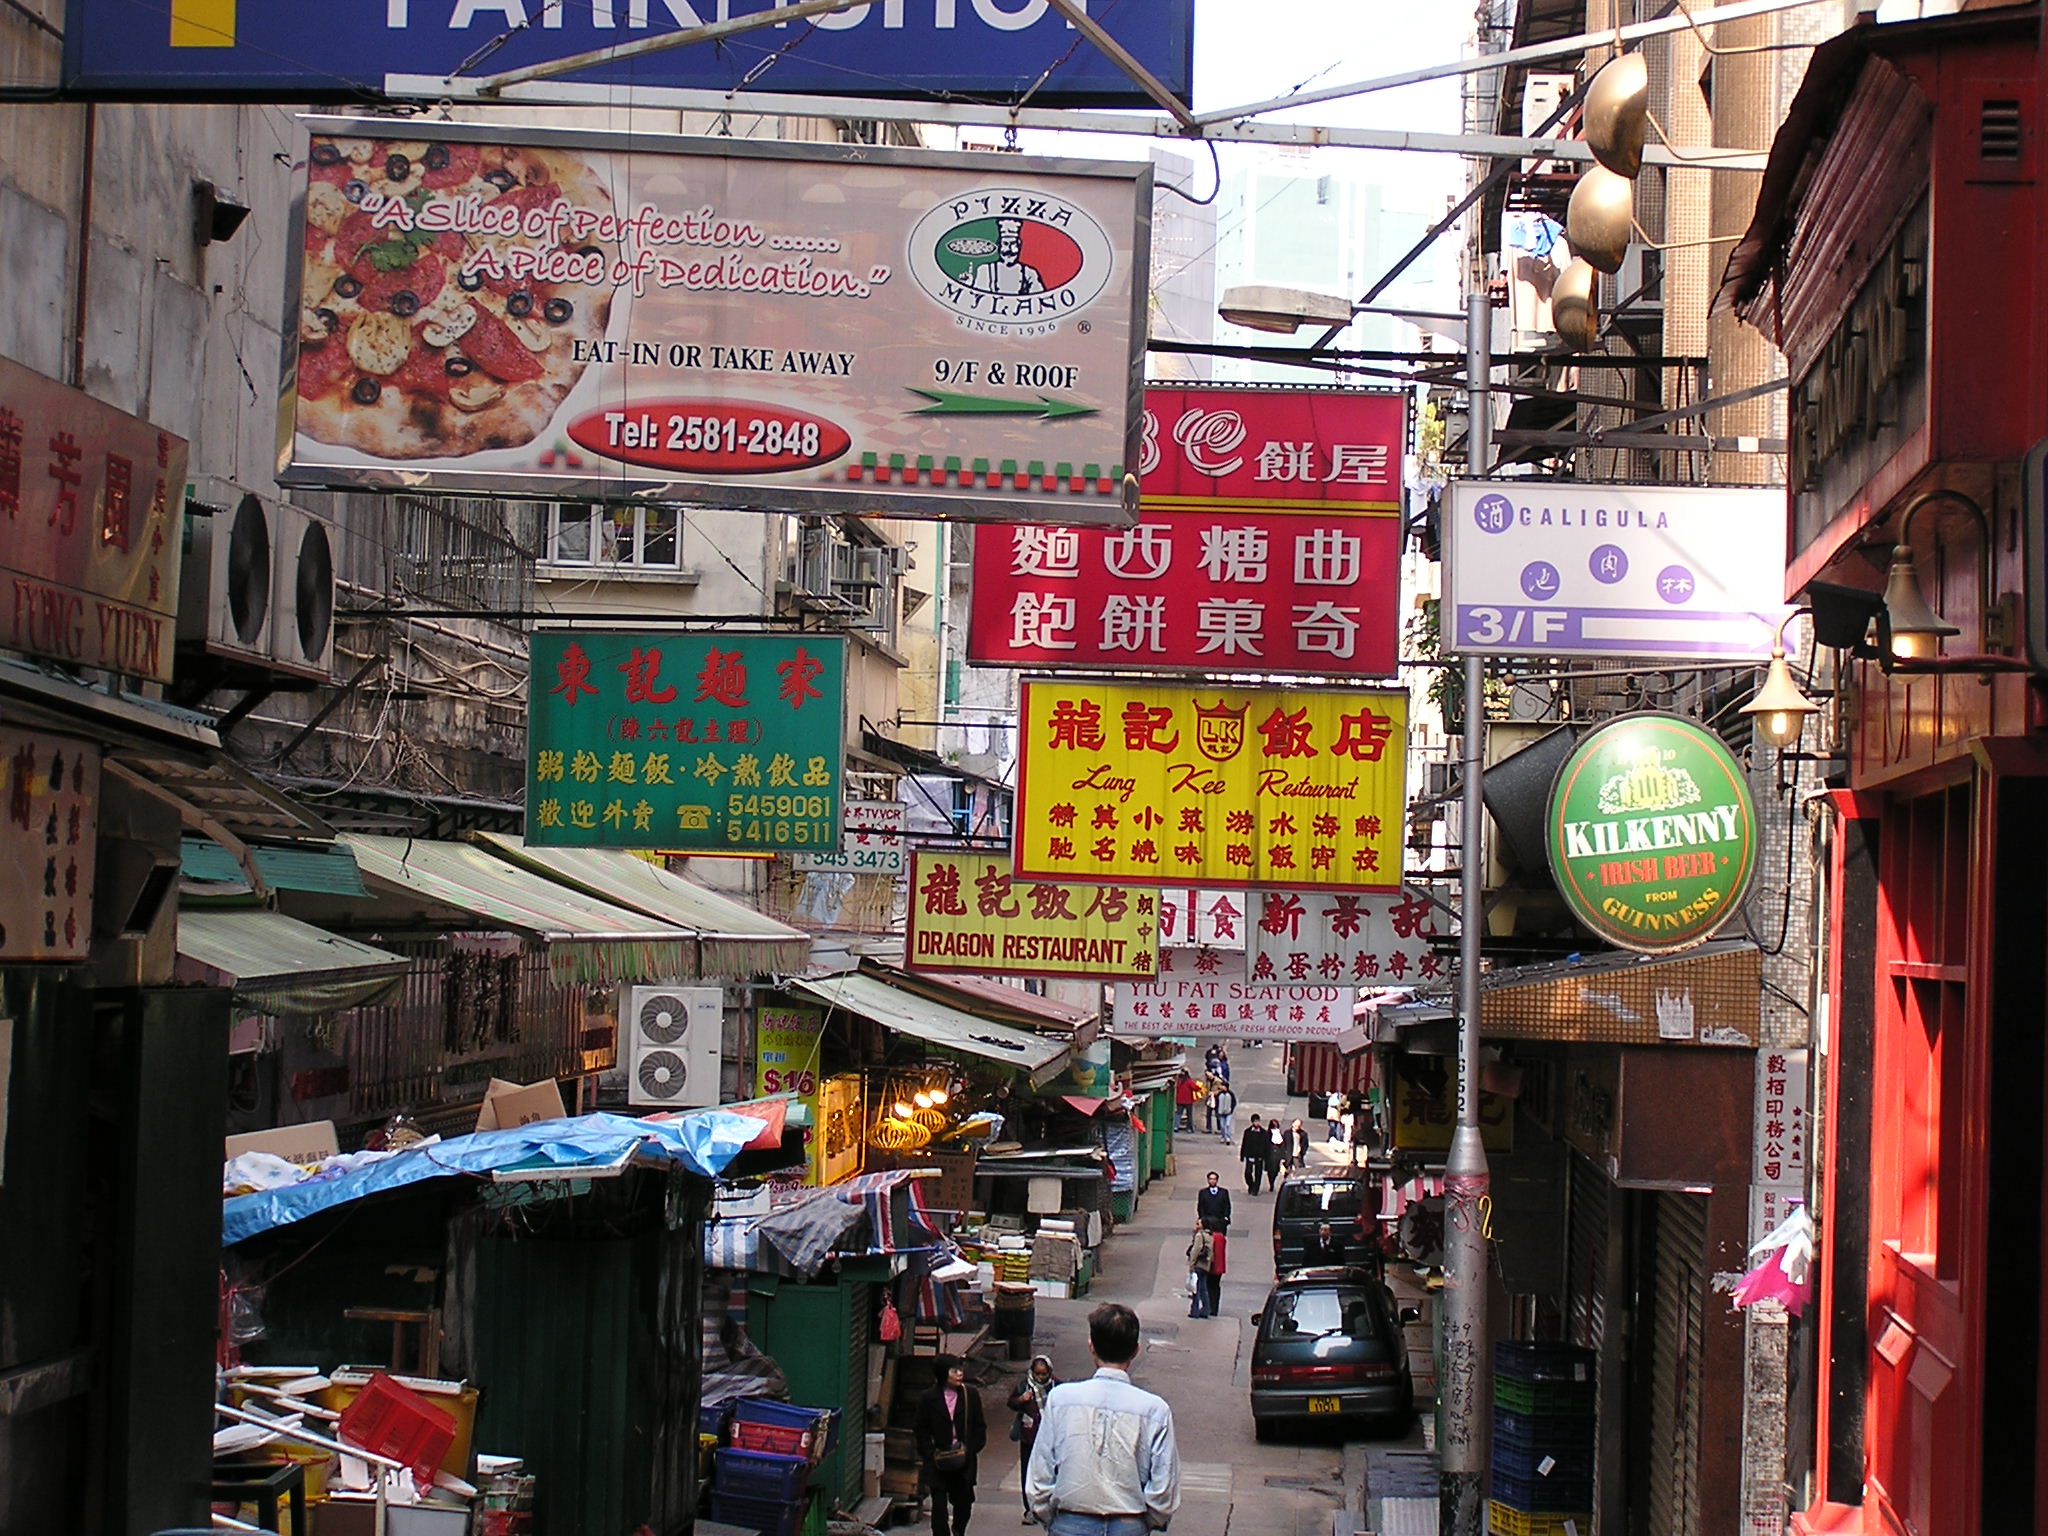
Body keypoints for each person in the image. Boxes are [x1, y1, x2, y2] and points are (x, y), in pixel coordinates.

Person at [1025, 1303, 1181, 1535]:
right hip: (1129, 1523)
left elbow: (1040, 1473)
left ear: (1091, 1347)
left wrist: (1054, 1518)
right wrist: (1143, 1522)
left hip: (1070, 1522)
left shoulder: (1061, 1400)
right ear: (1136, 1350)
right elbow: (1164, 1486)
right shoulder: (1155, 1411)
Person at [915, 1354, 987, 1536]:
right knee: (938, 1507)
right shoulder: (928, 1398)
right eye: (954, 1371)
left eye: (960, 1370)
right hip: (938, 1460)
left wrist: (970, 1449)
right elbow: (921, 1429)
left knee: (964, 1503)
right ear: (942, 1373)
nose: (959, 1374)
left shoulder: (970, 1395)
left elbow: (979, 1426)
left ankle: (958, 1530)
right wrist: (929, 1453)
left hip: (963, 1460)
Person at [1008, 1355, 1059, 1523]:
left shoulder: (1056, 1387)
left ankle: (1050, 1507)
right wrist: (1021, 1400)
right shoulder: (1024, 1386)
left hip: (1051, 1438)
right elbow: (1011, 1403)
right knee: (1027, 1473)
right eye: (1037, 1374)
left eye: (1044, 1374)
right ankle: (1029, 1508)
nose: (1040, 1378)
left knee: (1052, 1472)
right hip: (1029, 1437)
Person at [1186, 1223, 1216, 1319]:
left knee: (1195, 1289)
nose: (1195, 1225)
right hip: (1205, 1265)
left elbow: (1196, 1250)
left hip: (1198, 1265)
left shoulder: (1199, 1236)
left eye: (1198, 1223)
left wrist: (1192, 1264)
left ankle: (1194, 1311)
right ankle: (1206, 1309)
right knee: (1203, 1288)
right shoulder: (1210, 1237)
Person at [1195, 1170, 1232, 1235]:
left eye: (1214, 1179)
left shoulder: (1223, 1192)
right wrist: (1202, 1218)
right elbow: (1200, 1206)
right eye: (1211, 1179)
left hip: (1220, 1221)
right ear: (1208, 1180)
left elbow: (1227, 1205)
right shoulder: (1203, 1192)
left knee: (1219, 1241)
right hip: (1207, 1221)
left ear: (1217, 1180)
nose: (1212, 1181)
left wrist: (1226, 1217)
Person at [1240, 1114, 1269, 1193]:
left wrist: (1266, 1157)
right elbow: (1244, 1143)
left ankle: (1256, 1189)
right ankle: (1251, 1185)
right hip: (1250, 1155)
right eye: (1255, 1121)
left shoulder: (1264, 1133)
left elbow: (1266, 1146)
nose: (1257, 1123)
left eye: (1258, 1121)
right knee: (1248, 1173)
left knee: (1258, 1173)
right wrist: (1242, 1155)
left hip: (1259, 1156)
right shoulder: (1247, 1132)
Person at [1211, 1080, 1237, 1145]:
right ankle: (1223, 1136)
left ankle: (1228, 1137)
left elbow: (1234, 1102)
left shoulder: (1230, 1094)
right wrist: (1216, 1110)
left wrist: (1231, 1110)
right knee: (1222, 1126)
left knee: (1227, 1125)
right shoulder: (1219, 1094)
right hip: (1221, 1112)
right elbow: (1216, 1102)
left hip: (1228, 1112)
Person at [1263, 1119, 1285, 1188]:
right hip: (1269, 1153)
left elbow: (1282, 1144)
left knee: (1275, 1169)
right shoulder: (1267, 1134)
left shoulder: (1280, 1134)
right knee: (1270, 1170)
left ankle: (1273, 1180)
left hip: (1277, 1153)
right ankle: (1271, 1183)